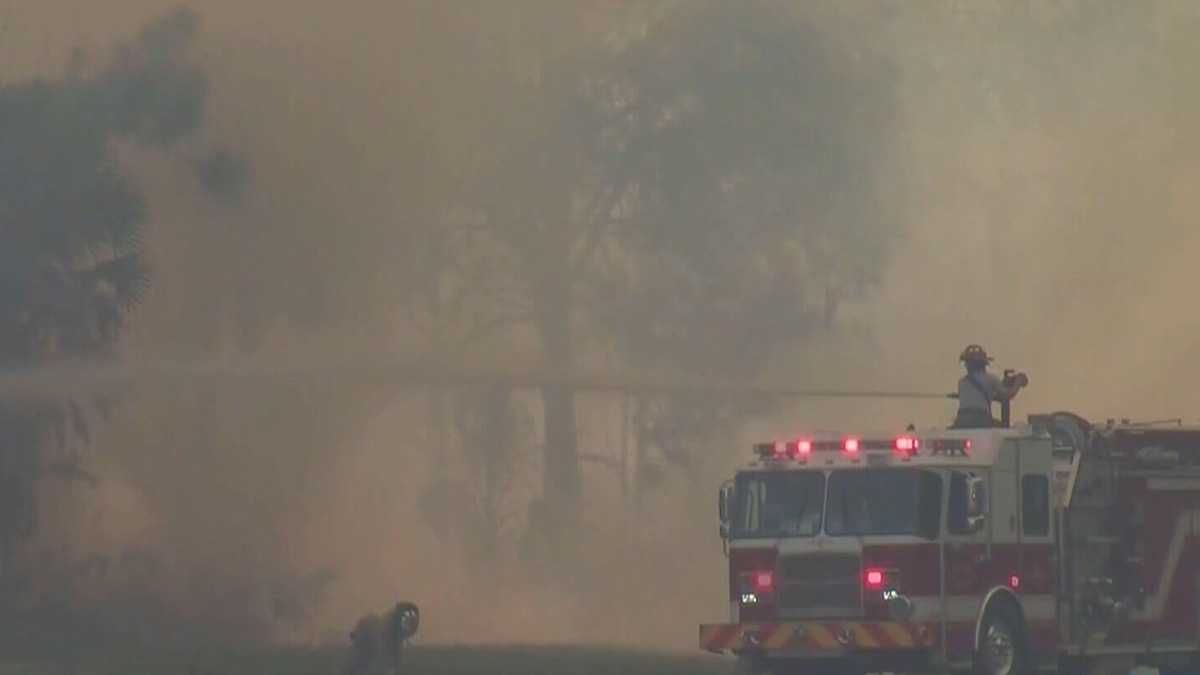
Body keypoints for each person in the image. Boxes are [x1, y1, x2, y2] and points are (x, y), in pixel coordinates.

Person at [953, 344, 1028, 429]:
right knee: (1004, 428)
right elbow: (1007, 395)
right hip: (981, 419)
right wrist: (1018, 382)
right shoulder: (990, 379)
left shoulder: (962, 382)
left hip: (961, 420)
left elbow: (982, 395)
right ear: (984, 363)